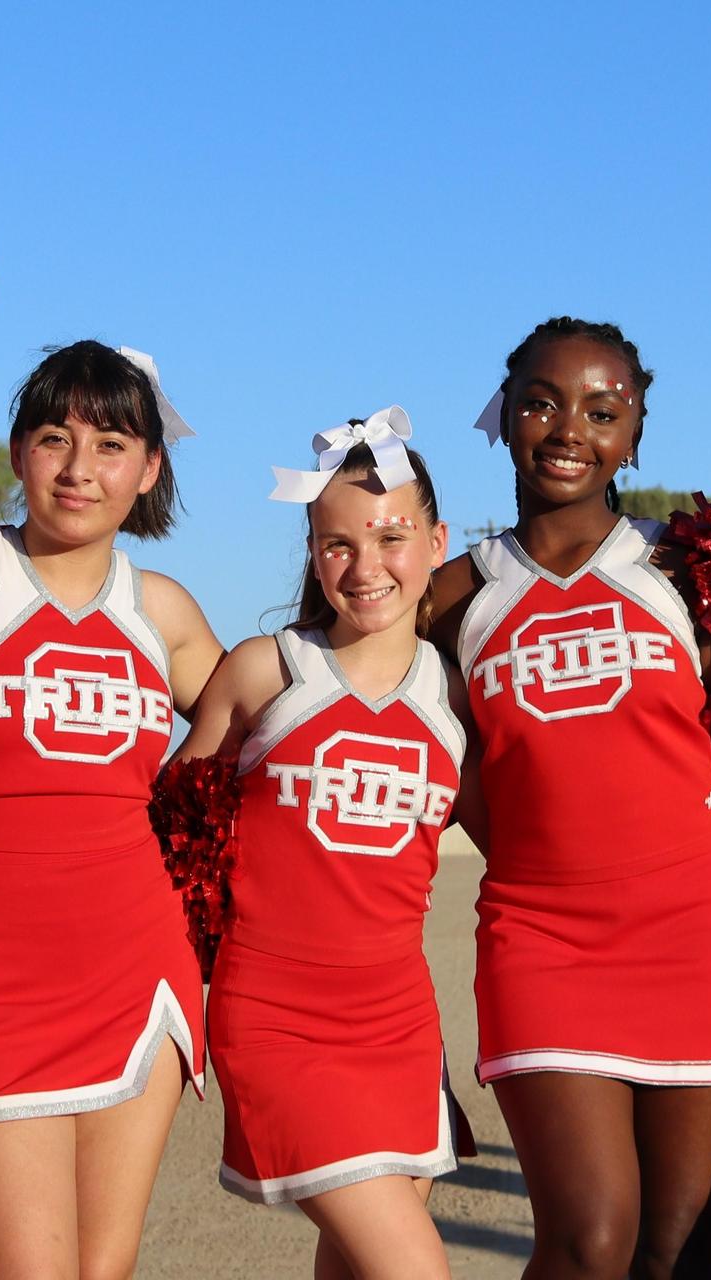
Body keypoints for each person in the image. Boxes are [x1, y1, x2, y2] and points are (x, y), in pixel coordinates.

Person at [433, 318, 711, 1278]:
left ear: (635, 436)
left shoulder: (686, 570)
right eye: (541, 402)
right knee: (589, 1241)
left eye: (602, 410)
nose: (568, 429)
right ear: (504, 419)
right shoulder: (454, 595)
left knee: (674, 1252)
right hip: (542, 941)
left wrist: (698, 861)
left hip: (697, 943)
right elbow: (425, 751)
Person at [0, 340, 221, 1279]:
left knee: (102, 1269)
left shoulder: (161, 610)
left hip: (139, 973)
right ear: (17, 453)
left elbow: (267, 736)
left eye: (112, 445)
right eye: (55, 438)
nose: (80, 469)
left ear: (150, 469)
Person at [174, 410, 473, 1279]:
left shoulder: (454, 694)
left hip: (402, 1028)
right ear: (311, 551)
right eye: (336, 544)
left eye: (391, 537)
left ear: (437, 539)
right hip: (276, 1019)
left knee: (353, 1264)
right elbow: (173, 830)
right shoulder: (266, 671)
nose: (365, 566)